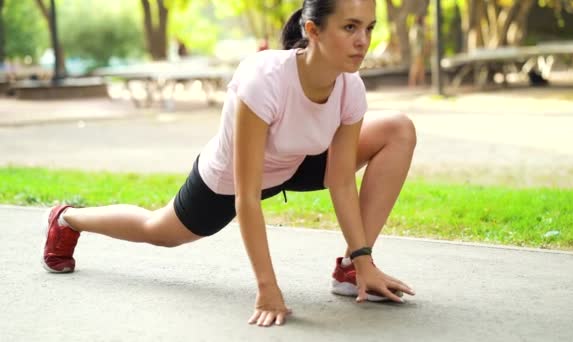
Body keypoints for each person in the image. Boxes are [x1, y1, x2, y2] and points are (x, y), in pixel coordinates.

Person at [41, 0, 417, 327]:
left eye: (368, 28)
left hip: (298, 160)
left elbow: (339, 180)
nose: (362, 41)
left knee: (397, 129)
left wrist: (363, 257)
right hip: (229, 181)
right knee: (158, 229)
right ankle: (68, 218)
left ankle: (353, 271)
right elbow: (247, 197)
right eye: (349, 27)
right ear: (312, 29)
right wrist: (267, 289)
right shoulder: (264, 79)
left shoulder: (350, 87)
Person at [408, 14, 426, 87]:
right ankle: (412, 82)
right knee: (416, 66)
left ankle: (421, 82)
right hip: (418, 50)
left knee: (421, 66)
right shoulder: (417, 29)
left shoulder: (414, 28)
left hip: (417, 50)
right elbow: (416, 40)